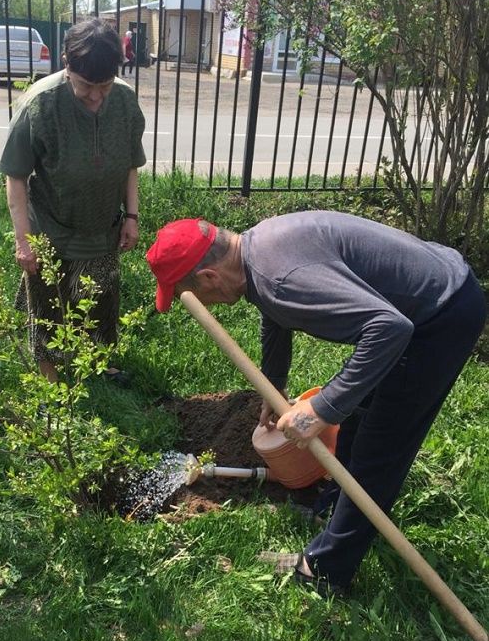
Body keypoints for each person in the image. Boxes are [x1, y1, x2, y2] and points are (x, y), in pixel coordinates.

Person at [145, 212, 486, 595]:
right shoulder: (258, 252)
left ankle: (324, 571)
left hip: (439, 315)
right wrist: (273, 386)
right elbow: (274, 316)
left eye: (191, 296)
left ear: (209, 277)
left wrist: (321, 409)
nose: (208, 306)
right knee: (359, 418)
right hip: (424, 294)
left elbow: (390, 329)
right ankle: (333, 509)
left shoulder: (279, 278)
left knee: (381, 448)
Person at [0, 18, 146, 384]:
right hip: (52, 226)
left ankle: (100, 364)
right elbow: (16, 178)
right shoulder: (40, 105)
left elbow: (130, 163)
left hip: (102, 225)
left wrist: (131, 215)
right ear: (66, 63)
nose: (96, 96)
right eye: (85, 86)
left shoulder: (125, 102)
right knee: (49, 302)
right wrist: (24, 241)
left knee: (101, 297)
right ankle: (50, 374)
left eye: (105, 86)